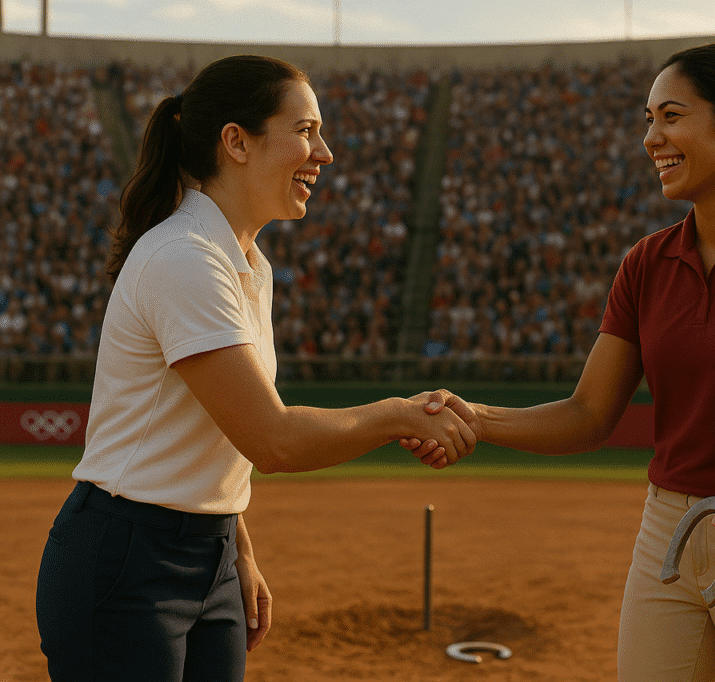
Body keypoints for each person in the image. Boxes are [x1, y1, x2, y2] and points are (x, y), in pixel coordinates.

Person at [406, 42, 715, 681]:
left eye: (671, 117)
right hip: (666, 539)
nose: (653, 138)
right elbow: (588, 414)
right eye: (649, 119)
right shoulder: (646, 264)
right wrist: (475, 418)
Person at [35, 55, 474, 682]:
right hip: (126, 560)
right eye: (304, 130)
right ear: (236, 141)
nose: (324, 152)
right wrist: (400, 415)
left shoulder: (244, 259)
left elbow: (222, 433)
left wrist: (233, 546)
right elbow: (273, 439)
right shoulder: (185, 256)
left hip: (205, 553)